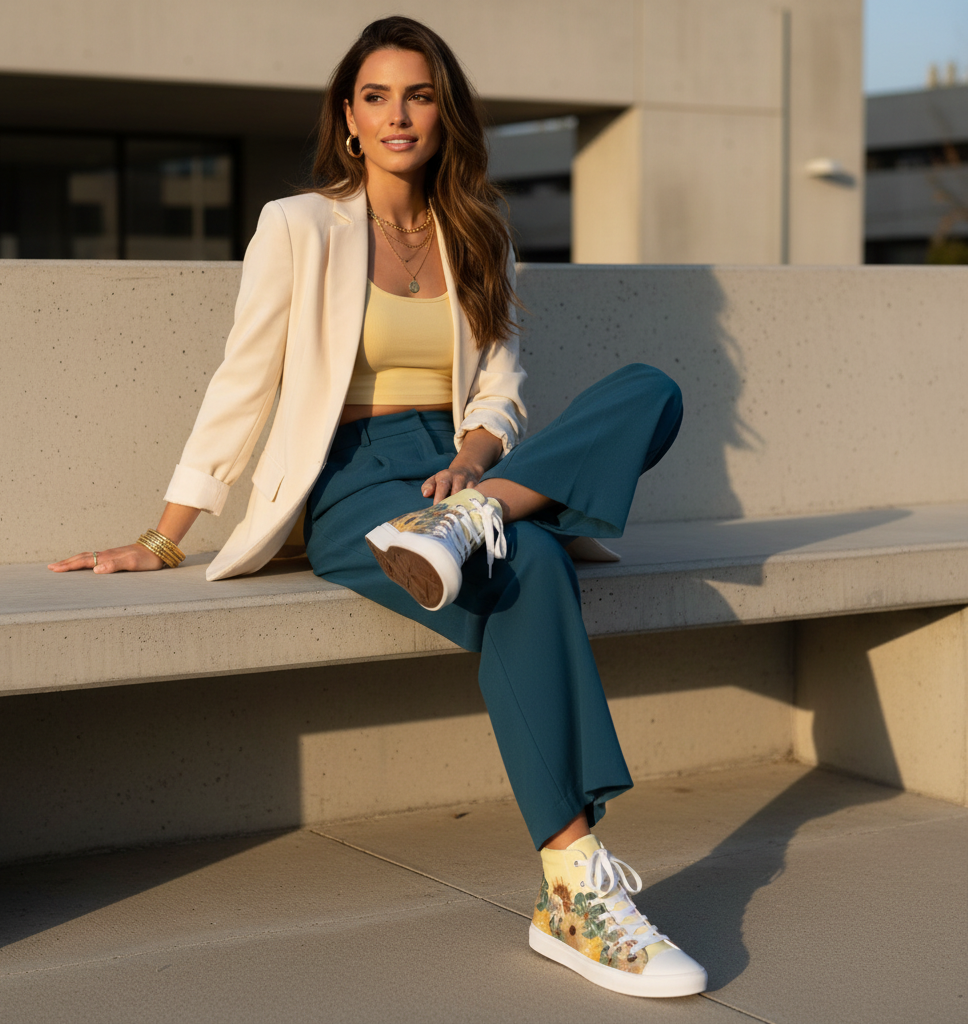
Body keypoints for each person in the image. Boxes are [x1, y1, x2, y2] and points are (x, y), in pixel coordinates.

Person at [49, 16, 705, 999]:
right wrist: (166, 533)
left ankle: (478, 513)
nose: (398, 114)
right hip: (353, 478)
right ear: (347, 119)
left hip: (456, 473)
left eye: (419, 94)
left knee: (653, 387)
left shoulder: (477, 227)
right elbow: (245, 383)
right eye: (376, 96)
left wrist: (476, 464)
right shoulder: (298, 225)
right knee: (532, 566)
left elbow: (502, 389)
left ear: (445, 113)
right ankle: (575, 889)